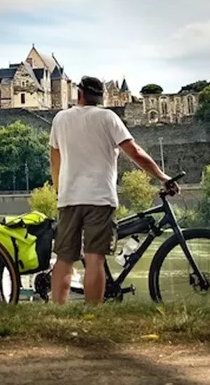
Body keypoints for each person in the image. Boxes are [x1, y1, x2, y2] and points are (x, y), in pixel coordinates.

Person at [49, 76, 179, 305]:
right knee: (94, 258)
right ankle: (93, 314)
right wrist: (162, 176)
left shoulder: (60, 119)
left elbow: (55, 160)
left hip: (69, 198)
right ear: (100, 97)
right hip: (99, 198)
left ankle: (57, 312)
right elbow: (135, 152)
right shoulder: (108, 117)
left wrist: (60, 190)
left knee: (64, 258)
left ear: (79, 94)